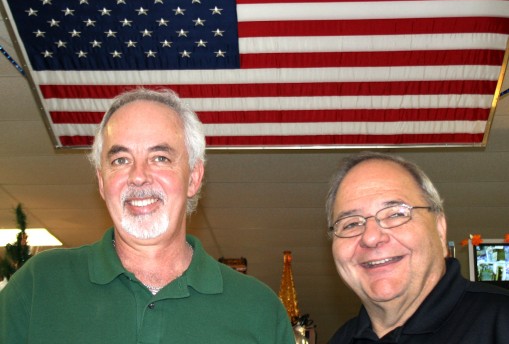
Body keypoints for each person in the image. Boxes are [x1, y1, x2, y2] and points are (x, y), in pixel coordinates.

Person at [0, 88, 294, 343]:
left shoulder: (259, 309)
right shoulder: (40, 285)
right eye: (121, 159)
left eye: (160, 158)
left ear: (193, 178)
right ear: (102, 182)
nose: (138, 176)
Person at [325, 151, 509, 343]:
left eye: (395, 214)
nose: (370, 237)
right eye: (351, 224)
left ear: (439, 229)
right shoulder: (340, 340)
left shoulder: (501, 325)